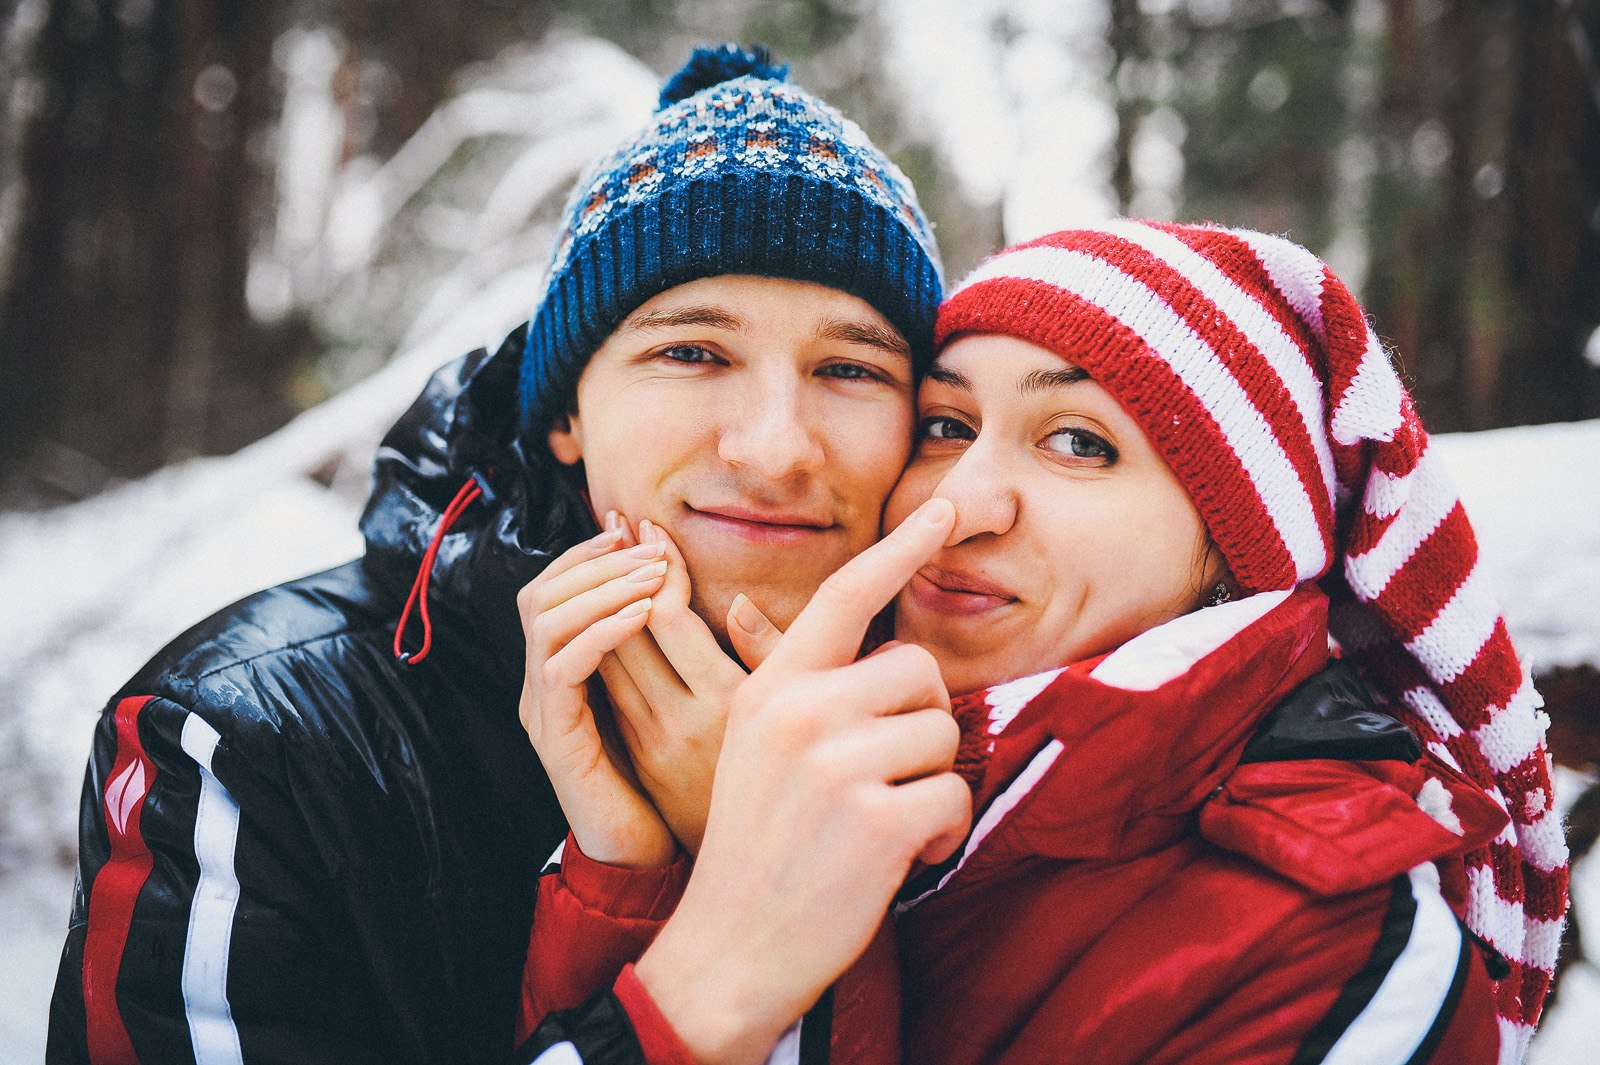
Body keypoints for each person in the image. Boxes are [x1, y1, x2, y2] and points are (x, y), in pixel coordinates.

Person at [46, 45, 951, 1065]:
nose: (778, 447)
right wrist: (717, 974)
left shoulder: (989, 715)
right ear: (566, 413)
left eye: (850, 368)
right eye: (691, 352)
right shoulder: (253, 740)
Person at [515, 222, 1570, 1064]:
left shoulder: (1324, 938)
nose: (962, 503)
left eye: (1079, 443)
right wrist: (646, 879)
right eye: (944, 426)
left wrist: (754, 918)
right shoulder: (800, 753)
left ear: (1234, 555)